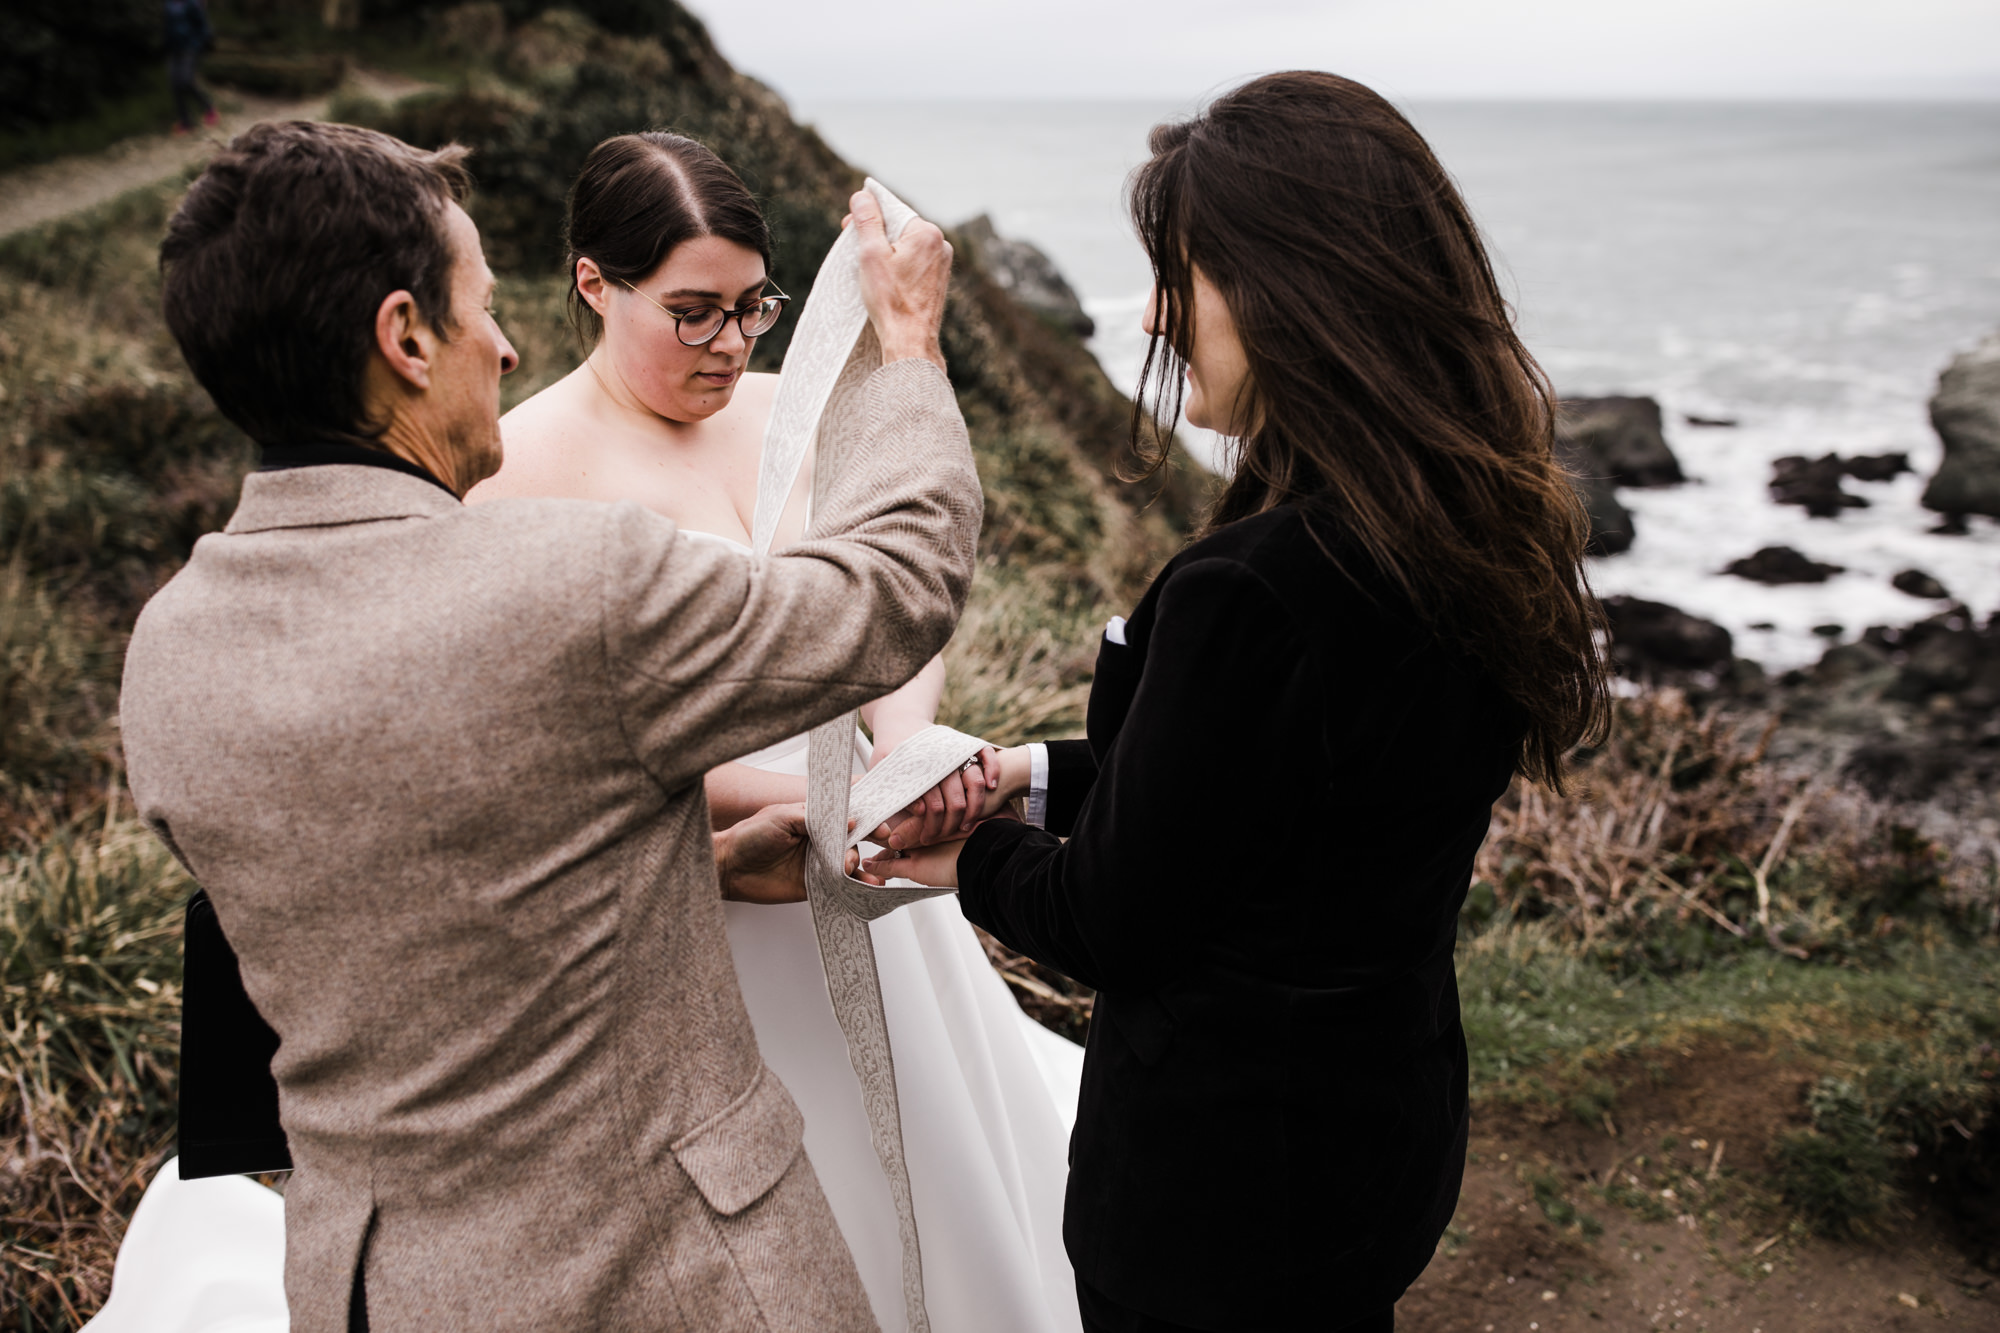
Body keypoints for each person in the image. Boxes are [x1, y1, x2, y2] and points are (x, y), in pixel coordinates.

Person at [115, 119, 980, 1332]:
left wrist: (695, 861)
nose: (510, 348)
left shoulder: (167, 654)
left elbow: (417, 882)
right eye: (477, 306)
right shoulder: (572, 582)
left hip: (379, 1286)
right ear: (404, 337)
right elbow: (894, 592)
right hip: (672, 1273)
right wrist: (907, 348)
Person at [874, 71, 1611, 1332]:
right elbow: (1266, 803)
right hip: (1371, 1147)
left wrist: (958, 855)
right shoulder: (1462, 527)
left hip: (1208, 1204)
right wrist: (1030, 775)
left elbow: (1113, 916)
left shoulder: (1251, 586)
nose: (1155, 318)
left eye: (1182, 275)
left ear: (1293, 285)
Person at [469, 131, 1085, 1333]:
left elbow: (885, 613)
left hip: (867, 857)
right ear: (594, 282)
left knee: (940, 1158)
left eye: (751, 307)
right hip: (714, 907)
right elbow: (544, 754)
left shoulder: (787, 411)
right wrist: (765, 809)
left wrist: (908, 751)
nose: (729, 343)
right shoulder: (512, 470)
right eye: (690, 312)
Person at [163, 0, 218, 135]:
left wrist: (201, 44)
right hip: (174, 49)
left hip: (190, 48)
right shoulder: (168, 4)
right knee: (175, 85)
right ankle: (185, 123)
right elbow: (168, 26)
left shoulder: (192, 4)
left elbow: (202, 25)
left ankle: (209, 108)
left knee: (186, 81)